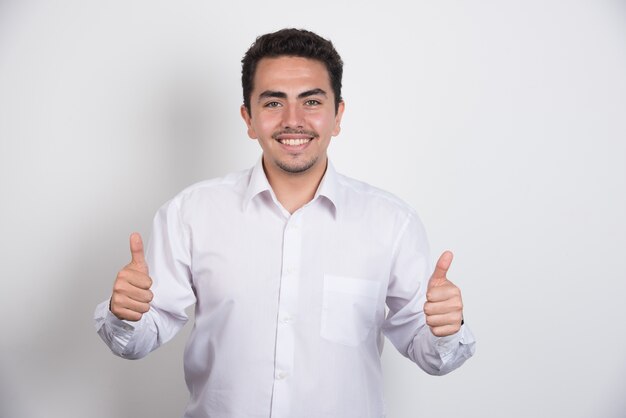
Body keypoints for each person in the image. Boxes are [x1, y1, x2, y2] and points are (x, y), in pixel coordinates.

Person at [94, 28, 476, 418]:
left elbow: (432, 354)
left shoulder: (392, 223)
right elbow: (138, 339)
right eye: (273, 102)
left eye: (311, 101)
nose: (293, 120)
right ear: (248, 118)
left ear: (337, 115)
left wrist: (446, 328)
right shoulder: (190, 214)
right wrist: (127, 314)